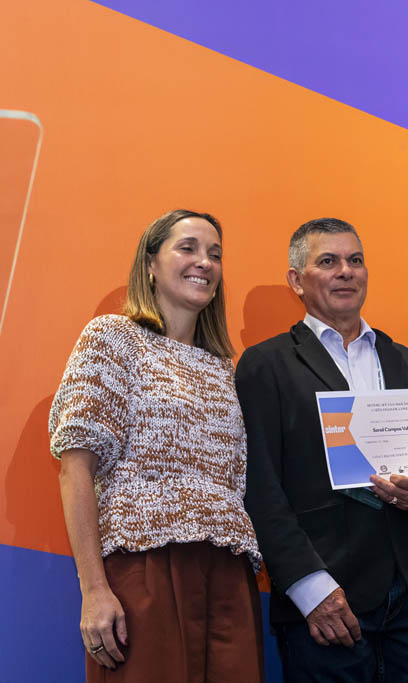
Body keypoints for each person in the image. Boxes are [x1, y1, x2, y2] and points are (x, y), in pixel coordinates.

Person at [236, 217, 408, 683]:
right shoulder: (266, 366)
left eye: (355, 260)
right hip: (326, 603)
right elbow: (258, 489)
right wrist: (311, 590)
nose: (345, 271)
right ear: (296, 281)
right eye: (328, 261)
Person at [49, 210, 264, 682]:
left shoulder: (221, 368)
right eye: (187, 248)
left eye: (215, 254)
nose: (204, 262)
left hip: (228, 575)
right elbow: (75, 468)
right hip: (144, 566)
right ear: (149, 264)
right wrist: (94, 590)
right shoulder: (113, 338)